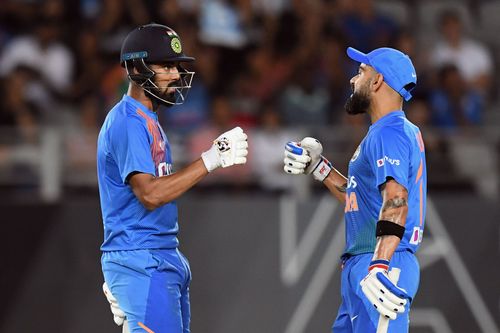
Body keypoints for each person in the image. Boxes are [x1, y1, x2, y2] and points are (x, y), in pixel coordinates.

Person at [97, 23, 248, 333]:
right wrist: (211, 158)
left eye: (177, 66)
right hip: (142, 258)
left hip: (157, 254)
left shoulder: (148, 119)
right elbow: (150, 195)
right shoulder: (128, 121)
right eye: (166, 65)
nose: (176, 74)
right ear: (137, 67)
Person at [284, 47, 427, 332]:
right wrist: (319, 168)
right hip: (366, 261)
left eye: (361, 72)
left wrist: (379, 265)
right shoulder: (387, 131)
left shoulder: (390, 132)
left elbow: (396, 199)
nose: (353, 80)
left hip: (381, 262)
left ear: (377, 82)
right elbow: (359, 197)